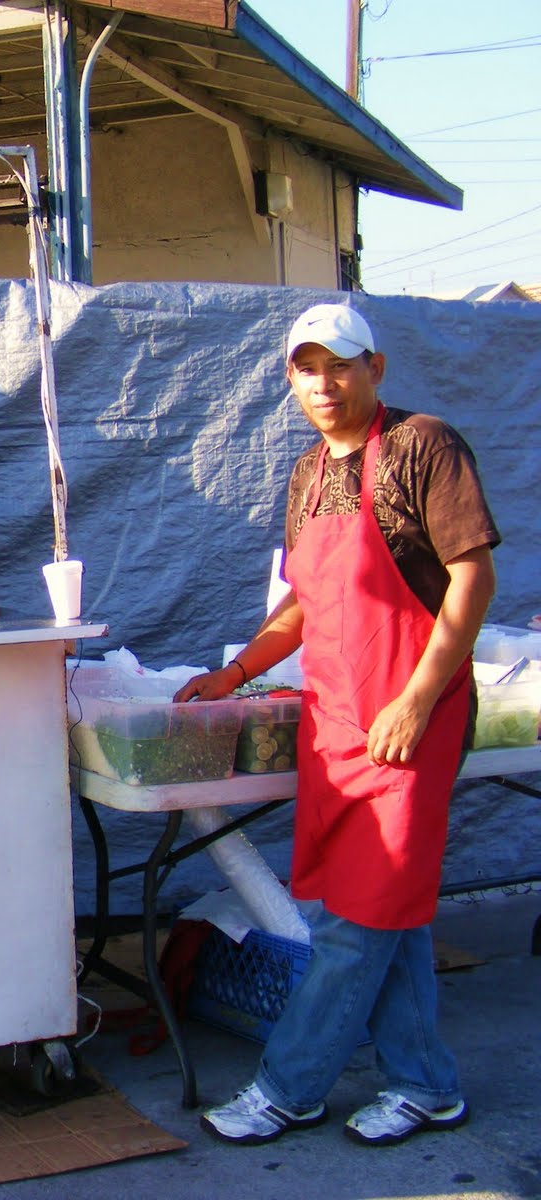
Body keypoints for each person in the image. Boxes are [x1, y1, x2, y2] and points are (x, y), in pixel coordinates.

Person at [176, 303, 500, 1148]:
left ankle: (287, 1088)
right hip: (335, 721)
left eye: (341, 365)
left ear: (376, 368)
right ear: (291, 378)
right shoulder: (310, 473)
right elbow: (305, 601)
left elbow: (472, 581)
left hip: (408, 721)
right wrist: (237, 672)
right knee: (374, 914)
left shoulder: (427, 446)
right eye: (306, 368)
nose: (324, 383)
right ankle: (426, 1085)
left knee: (356, 927)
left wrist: (419, 697)